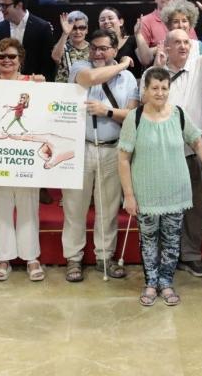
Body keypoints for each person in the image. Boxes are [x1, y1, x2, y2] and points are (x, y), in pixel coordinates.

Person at [119, 67, 202, 306]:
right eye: (154, 88)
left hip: (176, 191)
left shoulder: (179, 115)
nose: (159, 92)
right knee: (148, 241)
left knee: (172, 240)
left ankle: (166, 283)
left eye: (164, 88)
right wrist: (129, 195)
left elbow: (198, 142)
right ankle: (151, 283)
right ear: (145, 90)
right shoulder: (134, 118)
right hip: (146, 193)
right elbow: (123, 159)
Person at [141, 0, 202, 279]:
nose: (182, 46)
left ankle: (190, 255)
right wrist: (160, 68)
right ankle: (167, 257)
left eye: (186, 41)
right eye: (176, 42)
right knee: (164, 207)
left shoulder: (200, 65)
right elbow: (144, 106)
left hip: (193, 150)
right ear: (165, 44)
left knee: (195, 207)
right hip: (161, 153)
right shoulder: (154, 73)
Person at [62, 29, 139, 282]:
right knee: (75, 207)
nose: (97, 52)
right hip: (80, 147)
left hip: (112, 148)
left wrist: (107, 111)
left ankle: (104, 257)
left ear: (114, 50)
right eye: (94, 47)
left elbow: (131, 115)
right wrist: (124, 63)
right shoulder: (79, 68)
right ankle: (73, 259)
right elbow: (92, 78)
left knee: (107, 208)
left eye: (104, 48)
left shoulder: (129, 80)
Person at [0, 39, 48, 281]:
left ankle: (31, 257)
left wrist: (45, 87)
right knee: (1, 206)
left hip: (26, 155)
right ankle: (4, 257)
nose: (7, 60)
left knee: (28, 205)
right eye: (2, 56)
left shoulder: (34, 83)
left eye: (12, 56)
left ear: (21, 60)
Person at [0, 0, 55, 80]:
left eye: (5, 5)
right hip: (5, 84)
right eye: (1, 5)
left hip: (34, 84)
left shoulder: (42, 27)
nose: (1, 9)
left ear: (19, 5)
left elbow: (47, 63)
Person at [136, 0, 197, 65]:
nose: (171, 0)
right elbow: (144, 59)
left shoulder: (184, 22)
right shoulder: (145, 21)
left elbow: (195, 48)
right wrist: (162, 47)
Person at [98, 7, 139, 77]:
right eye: (102, 20)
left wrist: (139, 35)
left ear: (121, 22)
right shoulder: (97, 45)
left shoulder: (133, 40)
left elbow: (146, 60)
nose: (106, 22)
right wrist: (124, 64)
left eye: (110, 18)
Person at [52, 11, 90, 83]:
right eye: (74, 28)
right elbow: (56, 57)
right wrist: (65, 33)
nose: (78, 32)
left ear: (87, 30)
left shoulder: (93, 48)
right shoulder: (62, 45)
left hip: (85, 89)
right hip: (64, 90)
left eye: (82, 28)